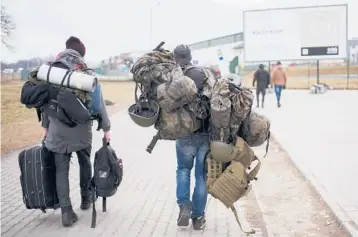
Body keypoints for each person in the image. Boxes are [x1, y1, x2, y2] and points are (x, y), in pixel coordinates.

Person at [42, 36, 112, 227]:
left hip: (57, 130)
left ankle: (66, 212)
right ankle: (86, 198)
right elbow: (98, 104)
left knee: (61, 170)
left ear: (65, 50)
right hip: (81, 130)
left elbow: (45, 104)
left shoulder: (52, 72)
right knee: (84, 163)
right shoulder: (86, 74)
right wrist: (106, 129)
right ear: (81, 54)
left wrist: (46, 128)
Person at [173, 44, 210, 230]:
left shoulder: (172, 77)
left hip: (183, 134)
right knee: (202, 176)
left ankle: (184, 206)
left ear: (175, 57)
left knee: (183, 170)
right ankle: (198, 218)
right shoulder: (203, 73)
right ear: (189, 56)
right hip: (204, 134)